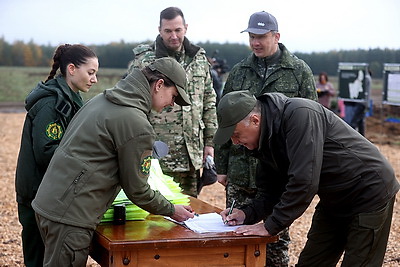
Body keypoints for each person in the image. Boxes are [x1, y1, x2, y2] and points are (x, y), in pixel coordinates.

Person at [31, 57, 196, 266]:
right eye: (174, 96)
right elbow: (137, 190)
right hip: (70, 217)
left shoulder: (102, 100)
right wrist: (172, 209)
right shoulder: (135, 123)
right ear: (159, 85)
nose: (172, 104)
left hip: (50, 204)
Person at [215, 90, 399, 267]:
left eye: (236, 135)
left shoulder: (300, 115)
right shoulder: (264, 139)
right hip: (334, 198)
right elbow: (271, 190)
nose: (235, 142)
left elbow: (304, 181)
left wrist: (271, 226)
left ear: (255, 120)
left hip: (368, 191)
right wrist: (247, 213)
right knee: (312, 262)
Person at [214, 11, 317, 266]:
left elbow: (312, 124)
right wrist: (222, 166)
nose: (255, 42)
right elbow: (225, 120)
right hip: (241, 170)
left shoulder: (298, 71)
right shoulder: (239, 72)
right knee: (235, 235)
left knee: (275, 241)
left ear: (276, 36)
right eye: (251, 37)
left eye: (261, 37)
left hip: (278, 169)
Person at [15, 44, 99, 267]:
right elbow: (47, 152)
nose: (95, 79)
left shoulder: (69, 98)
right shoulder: (51, 103)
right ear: (71, 69)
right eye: (90, 72)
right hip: (37, 195)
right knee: (38, 259)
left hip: (48, 193)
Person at [128, 6, 217, 197]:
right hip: (157, 152)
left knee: (189, 211)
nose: (173, 36)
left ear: (186, 27)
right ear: (159, 30)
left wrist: (210, 142)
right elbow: (133, 103)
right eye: (168, 31)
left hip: (190, 152)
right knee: (156, 215)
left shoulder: (199, 58)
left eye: (178, 30)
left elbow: (209, 101)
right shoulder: (145, 60)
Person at [344, 69, 372, 136]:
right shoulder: (366, 79)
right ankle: (362, 138)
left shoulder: (366, 78)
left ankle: (353, 138)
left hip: (361, 103)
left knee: (353, 123)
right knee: (360, 122)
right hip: (362, 103)